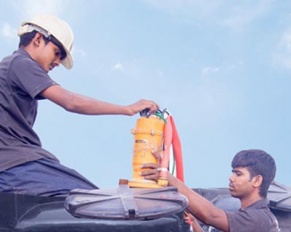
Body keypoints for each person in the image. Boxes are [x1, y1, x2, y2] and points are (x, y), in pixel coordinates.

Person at [0, 14, 159, 197]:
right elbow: (71, 101)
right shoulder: (20, 63)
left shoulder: (12, 68)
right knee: (93, 202)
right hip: (15, 166)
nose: (57, 62)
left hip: (14, 166)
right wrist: (127, 109)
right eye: (56, 53)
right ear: (38, 39)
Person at [141, 149, 280, 232]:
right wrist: (196, 226)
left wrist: (169, 178)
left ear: (256, 181)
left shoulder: (260, 219)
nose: (231, 178)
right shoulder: (248, 216)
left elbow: (211, 215)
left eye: (238, 174)